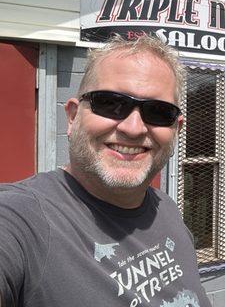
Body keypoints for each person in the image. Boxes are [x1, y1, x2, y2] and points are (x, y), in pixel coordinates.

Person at [0, 35, 211, 307]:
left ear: (176, 129)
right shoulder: (20, 219)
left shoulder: (166, 208)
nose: (133, 128)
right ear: (73, 116)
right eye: (111, 103)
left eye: (158, 112)